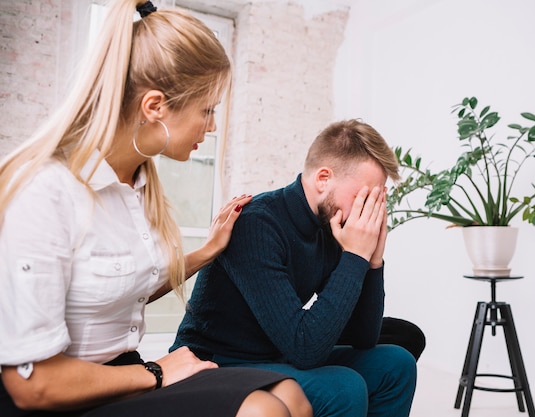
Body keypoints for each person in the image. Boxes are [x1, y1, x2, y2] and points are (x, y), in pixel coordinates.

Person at [0, 1, 312, 417]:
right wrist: (157, 372)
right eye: (207, 110)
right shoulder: (46, 192)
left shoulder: (139, 184)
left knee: (289, 394)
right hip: (59, 397)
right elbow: (32, 385)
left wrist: (209, 250)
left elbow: (123, 290)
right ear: (154, 107)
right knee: (262, 410)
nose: (212, 126)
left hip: (123, 374)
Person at [172, 119, 418, 417]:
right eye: (362, 197)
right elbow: (305, 349)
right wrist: (355, 255)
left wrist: (372, 261)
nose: (367, 212)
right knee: (344, 386)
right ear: (323, 178)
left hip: (274, 352)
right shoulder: (257, 224)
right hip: (217, 361)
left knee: (397, 364)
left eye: (376, 200)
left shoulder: (330, 228)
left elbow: (362, 338)